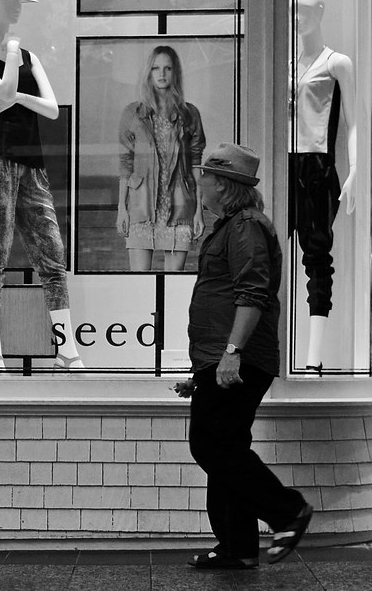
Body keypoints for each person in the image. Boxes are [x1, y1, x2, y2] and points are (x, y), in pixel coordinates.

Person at [174, 143, 314, 569]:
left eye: (207, 178)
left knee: (212, 445)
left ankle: (287, 510)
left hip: (237, 357)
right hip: (220, 358)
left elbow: (252, 293)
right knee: (226, 447)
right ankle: (237, 548)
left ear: (225, 185)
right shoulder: (232, 225)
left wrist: (231, 353)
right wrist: (203, 370)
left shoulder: (248, 227)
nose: (201, 184)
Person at [0, 0, 82, 372]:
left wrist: (15, 94)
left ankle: (67, 351)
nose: (16, 6)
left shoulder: (31, 56)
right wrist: (13, 58)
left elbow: (50, 109)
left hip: (31, 163)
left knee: (52, 257)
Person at [290, 0, 358, 370]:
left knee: (317, 256)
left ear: (320, 11)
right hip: (287, 164)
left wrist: (355, 170)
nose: (296, 17)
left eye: (303, 10)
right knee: (270, 252)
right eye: (292, 10)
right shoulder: (287, 64)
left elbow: (353, 122)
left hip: (318, 166)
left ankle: (313, 359)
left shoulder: (337, 64)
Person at [116, 45, 206, 271]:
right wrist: (121, 207)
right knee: (139, 286)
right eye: (156, 68)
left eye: (167, 68)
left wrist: (198, 211)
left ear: (175, 73)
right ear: (149, 72)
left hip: (178, 205)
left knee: (173, 284)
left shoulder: (189, 114)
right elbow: (126, 164)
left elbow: (196, 164)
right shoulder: (133, 113)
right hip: (141, 206)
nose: (162, 74)